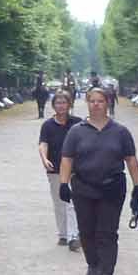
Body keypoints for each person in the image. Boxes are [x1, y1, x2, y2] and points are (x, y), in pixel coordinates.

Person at [58, 86, 138, 275]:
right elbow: (67, 158)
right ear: (87, 103)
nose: (96, 105)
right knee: (87, 231)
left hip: (112, 187)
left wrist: (137, 187)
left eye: (100, 101)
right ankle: (93, 265)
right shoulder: (76, 131)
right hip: (83, 187)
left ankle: (107, 274)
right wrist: (63, 183)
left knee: (107, 232)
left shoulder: (120, 132)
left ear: (107, 103)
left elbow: (131, 159)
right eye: (92, 101)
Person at [37, 90, 80, 250]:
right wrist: (44, 158)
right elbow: (43, 144)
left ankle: (73, 235)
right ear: (53, 105)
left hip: (75, 169)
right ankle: (63, 233)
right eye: (58, 103)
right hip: (55, 168)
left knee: (71, 202)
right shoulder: (47, 125)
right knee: (59, 202)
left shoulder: (78, 123)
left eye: (64, 103)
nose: (61, 106)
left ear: (69, 105)